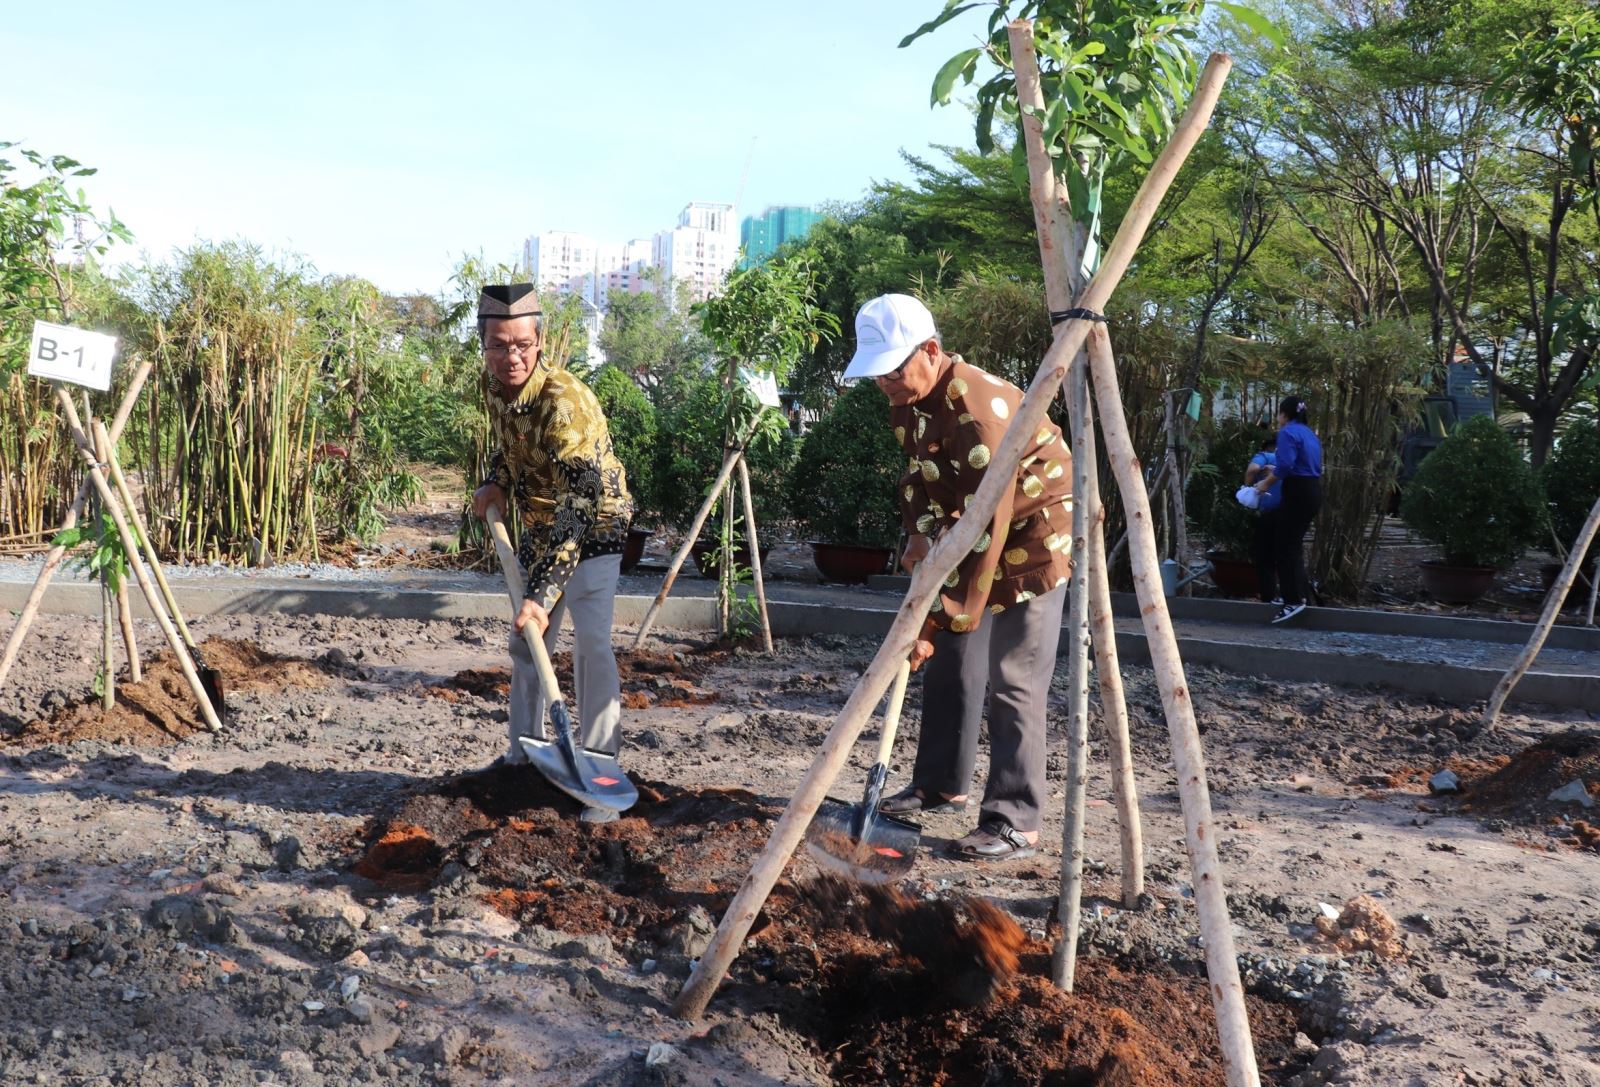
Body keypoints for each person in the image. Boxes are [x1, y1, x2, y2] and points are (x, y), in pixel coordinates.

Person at [843, 293, 1073, 862]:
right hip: (971, 529)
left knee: (1013, 677)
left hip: (1032, 535)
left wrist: (936, 614)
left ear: (930, 350)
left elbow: (986, 535)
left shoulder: (977, 412)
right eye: (878, 375)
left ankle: (1014, 819)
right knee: (950, 661)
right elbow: (920, 480)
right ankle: (941, 782)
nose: (886, 385)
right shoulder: (911, 399)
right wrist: (921, 539)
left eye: (893, 370)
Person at [469, 283, 634, 822]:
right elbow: (509, 445)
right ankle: (523, 756)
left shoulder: (564, 401)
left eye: (521, 344)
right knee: (526, 645)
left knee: (589, 641)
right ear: (485, 343)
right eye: (499, 344)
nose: (510, 356)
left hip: (596, 525)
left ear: (540, 342)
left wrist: (541, 594)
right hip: (545, 525)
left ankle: (601, 765)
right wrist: (495, 481)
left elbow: (581, 502)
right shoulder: (496, 388)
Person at [1256, 396, 1322, 624]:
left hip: (1298, 493)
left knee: (1286, 546)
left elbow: (1286, 466)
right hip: (1311, 490)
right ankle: (1297, 596)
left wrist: (1265, 483)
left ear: (1284, 414)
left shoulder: (1287, 432)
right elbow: (1300, 464)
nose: (1278, 418)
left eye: (1278, 414)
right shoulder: (1309, 433)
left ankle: (1293, 600)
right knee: (1288, 542)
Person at [1247, 434, 1283, 603]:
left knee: (1265, 557)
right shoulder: (1292, 462)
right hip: (1290, 512)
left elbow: (1251, 471)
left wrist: (1260, 475)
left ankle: (1267, 597)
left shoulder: (1264, 456)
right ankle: (1297, 598)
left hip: (1269, 512)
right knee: (1288, 555)